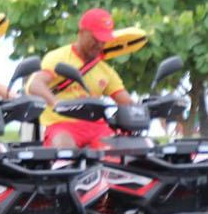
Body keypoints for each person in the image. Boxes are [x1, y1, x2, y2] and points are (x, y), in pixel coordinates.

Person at [28, 8, 133, 149]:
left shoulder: (105, 70)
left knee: (118, 153)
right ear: (81, 32)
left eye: (104, 40)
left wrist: (145, 111)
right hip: (62, 125)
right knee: (65, 149)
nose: (100, 45)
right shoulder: (59, 57)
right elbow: (35, 85)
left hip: (97, 127)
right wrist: (56, 103)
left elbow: (127, 102)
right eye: (95, 39)